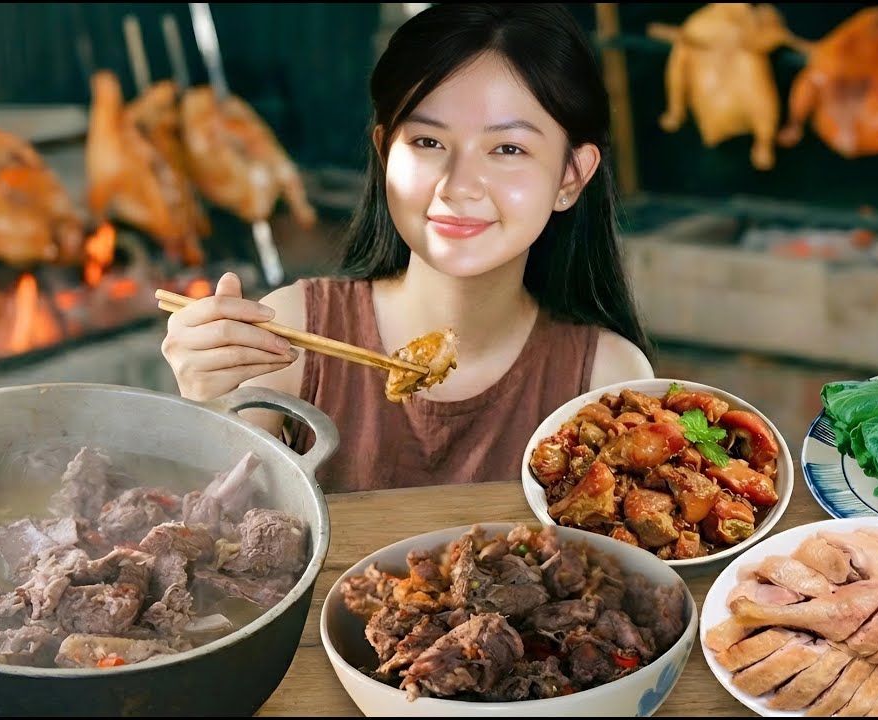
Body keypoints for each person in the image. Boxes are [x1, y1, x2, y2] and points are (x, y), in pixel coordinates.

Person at [161, 3, 655, 493]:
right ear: (384, 152)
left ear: (571, 175)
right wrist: (205, 406)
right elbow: (217, 536)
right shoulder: (291, 333)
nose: (458, 186)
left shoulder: (608, 378)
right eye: (427, 142)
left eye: (508, 149)